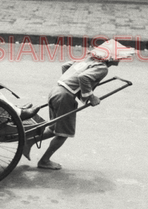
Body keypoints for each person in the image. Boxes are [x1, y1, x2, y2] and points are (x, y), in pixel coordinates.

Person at [29, 39, 134, 170]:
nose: (121, 59)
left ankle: (29, 141)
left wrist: (70, 84)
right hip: (64, 97)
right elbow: (84, 78)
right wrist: (90, 96)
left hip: (55, 91)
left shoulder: (88, 60)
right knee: (63, 133)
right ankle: (44, 160)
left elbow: (66, 65)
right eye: (120, 57)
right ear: (112, 58)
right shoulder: (102, 68)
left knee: (54, 127)